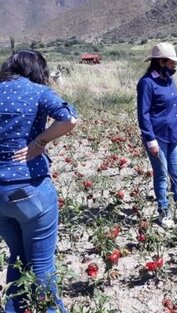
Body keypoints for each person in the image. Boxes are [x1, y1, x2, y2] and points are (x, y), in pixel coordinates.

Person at [0, 50, 77, 312]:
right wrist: (39, 142)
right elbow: (69, 118)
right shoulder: (37, 92)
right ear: (37, 70)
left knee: (17, 258)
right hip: (29, 186)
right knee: (42, 264)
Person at [137, 42, 177, 229]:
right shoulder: (147, 83)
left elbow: (175, 108)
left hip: (174, 134)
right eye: (172, 63)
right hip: (157, 137)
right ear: (161, 62)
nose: (174, 66)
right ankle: (164, 212)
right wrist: (150, 139)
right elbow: (143, 114)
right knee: (161, 175)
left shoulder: (169, 81)